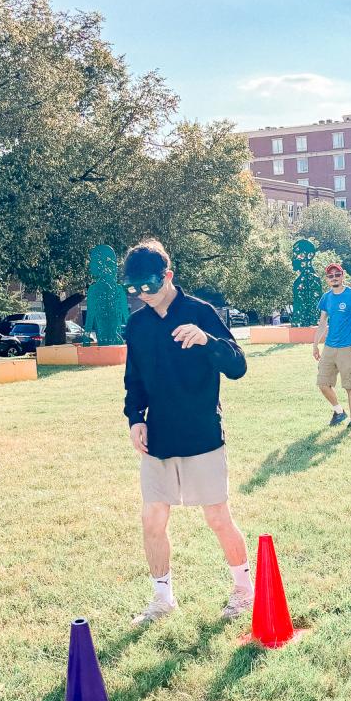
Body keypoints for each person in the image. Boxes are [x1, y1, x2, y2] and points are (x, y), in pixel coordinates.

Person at [122, 240, 253, 625]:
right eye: (133, 288)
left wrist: (207, 340)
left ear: (168, 275)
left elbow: (238, 366)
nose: (142, 294)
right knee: (152, 520)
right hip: (158, 437)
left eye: (148, 285)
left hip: (201, 434)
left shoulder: (200, 312)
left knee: (218, 518)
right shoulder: (138, 324)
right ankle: (163, 599)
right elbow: (134, 380)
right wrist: (135, 418)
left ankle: (244, 590)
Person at [312, 263, 351, 429]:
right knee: (323, 383)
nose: (334, 278)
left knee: (350, 386)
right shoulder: (326, 298)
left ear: (342, 275)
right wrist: (315, 345)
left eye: (337, 275)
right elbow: (322, 323)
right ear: (327, 279)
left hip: (348, 348)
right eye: (331, 276)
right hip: (329, 348)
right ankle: (338, 411)